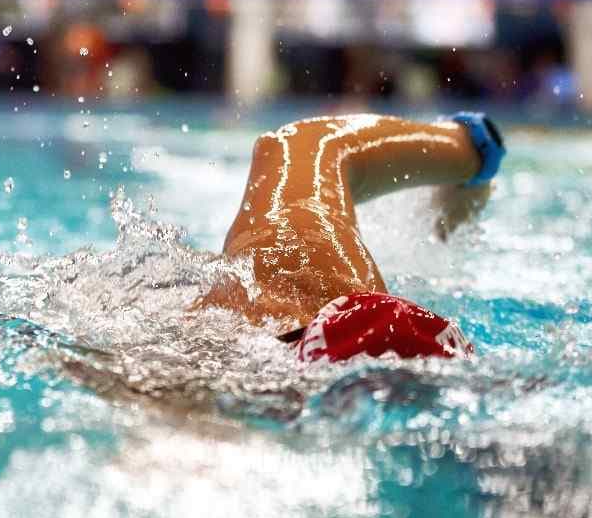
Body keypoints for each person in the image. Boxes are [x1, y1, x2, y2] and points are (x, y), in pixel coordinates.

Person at [202, 113, 505, 364]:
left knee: (296, 145)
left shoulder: (288, 278)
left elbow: (314, 141)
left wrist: (471, 146)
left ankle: (473, 151)